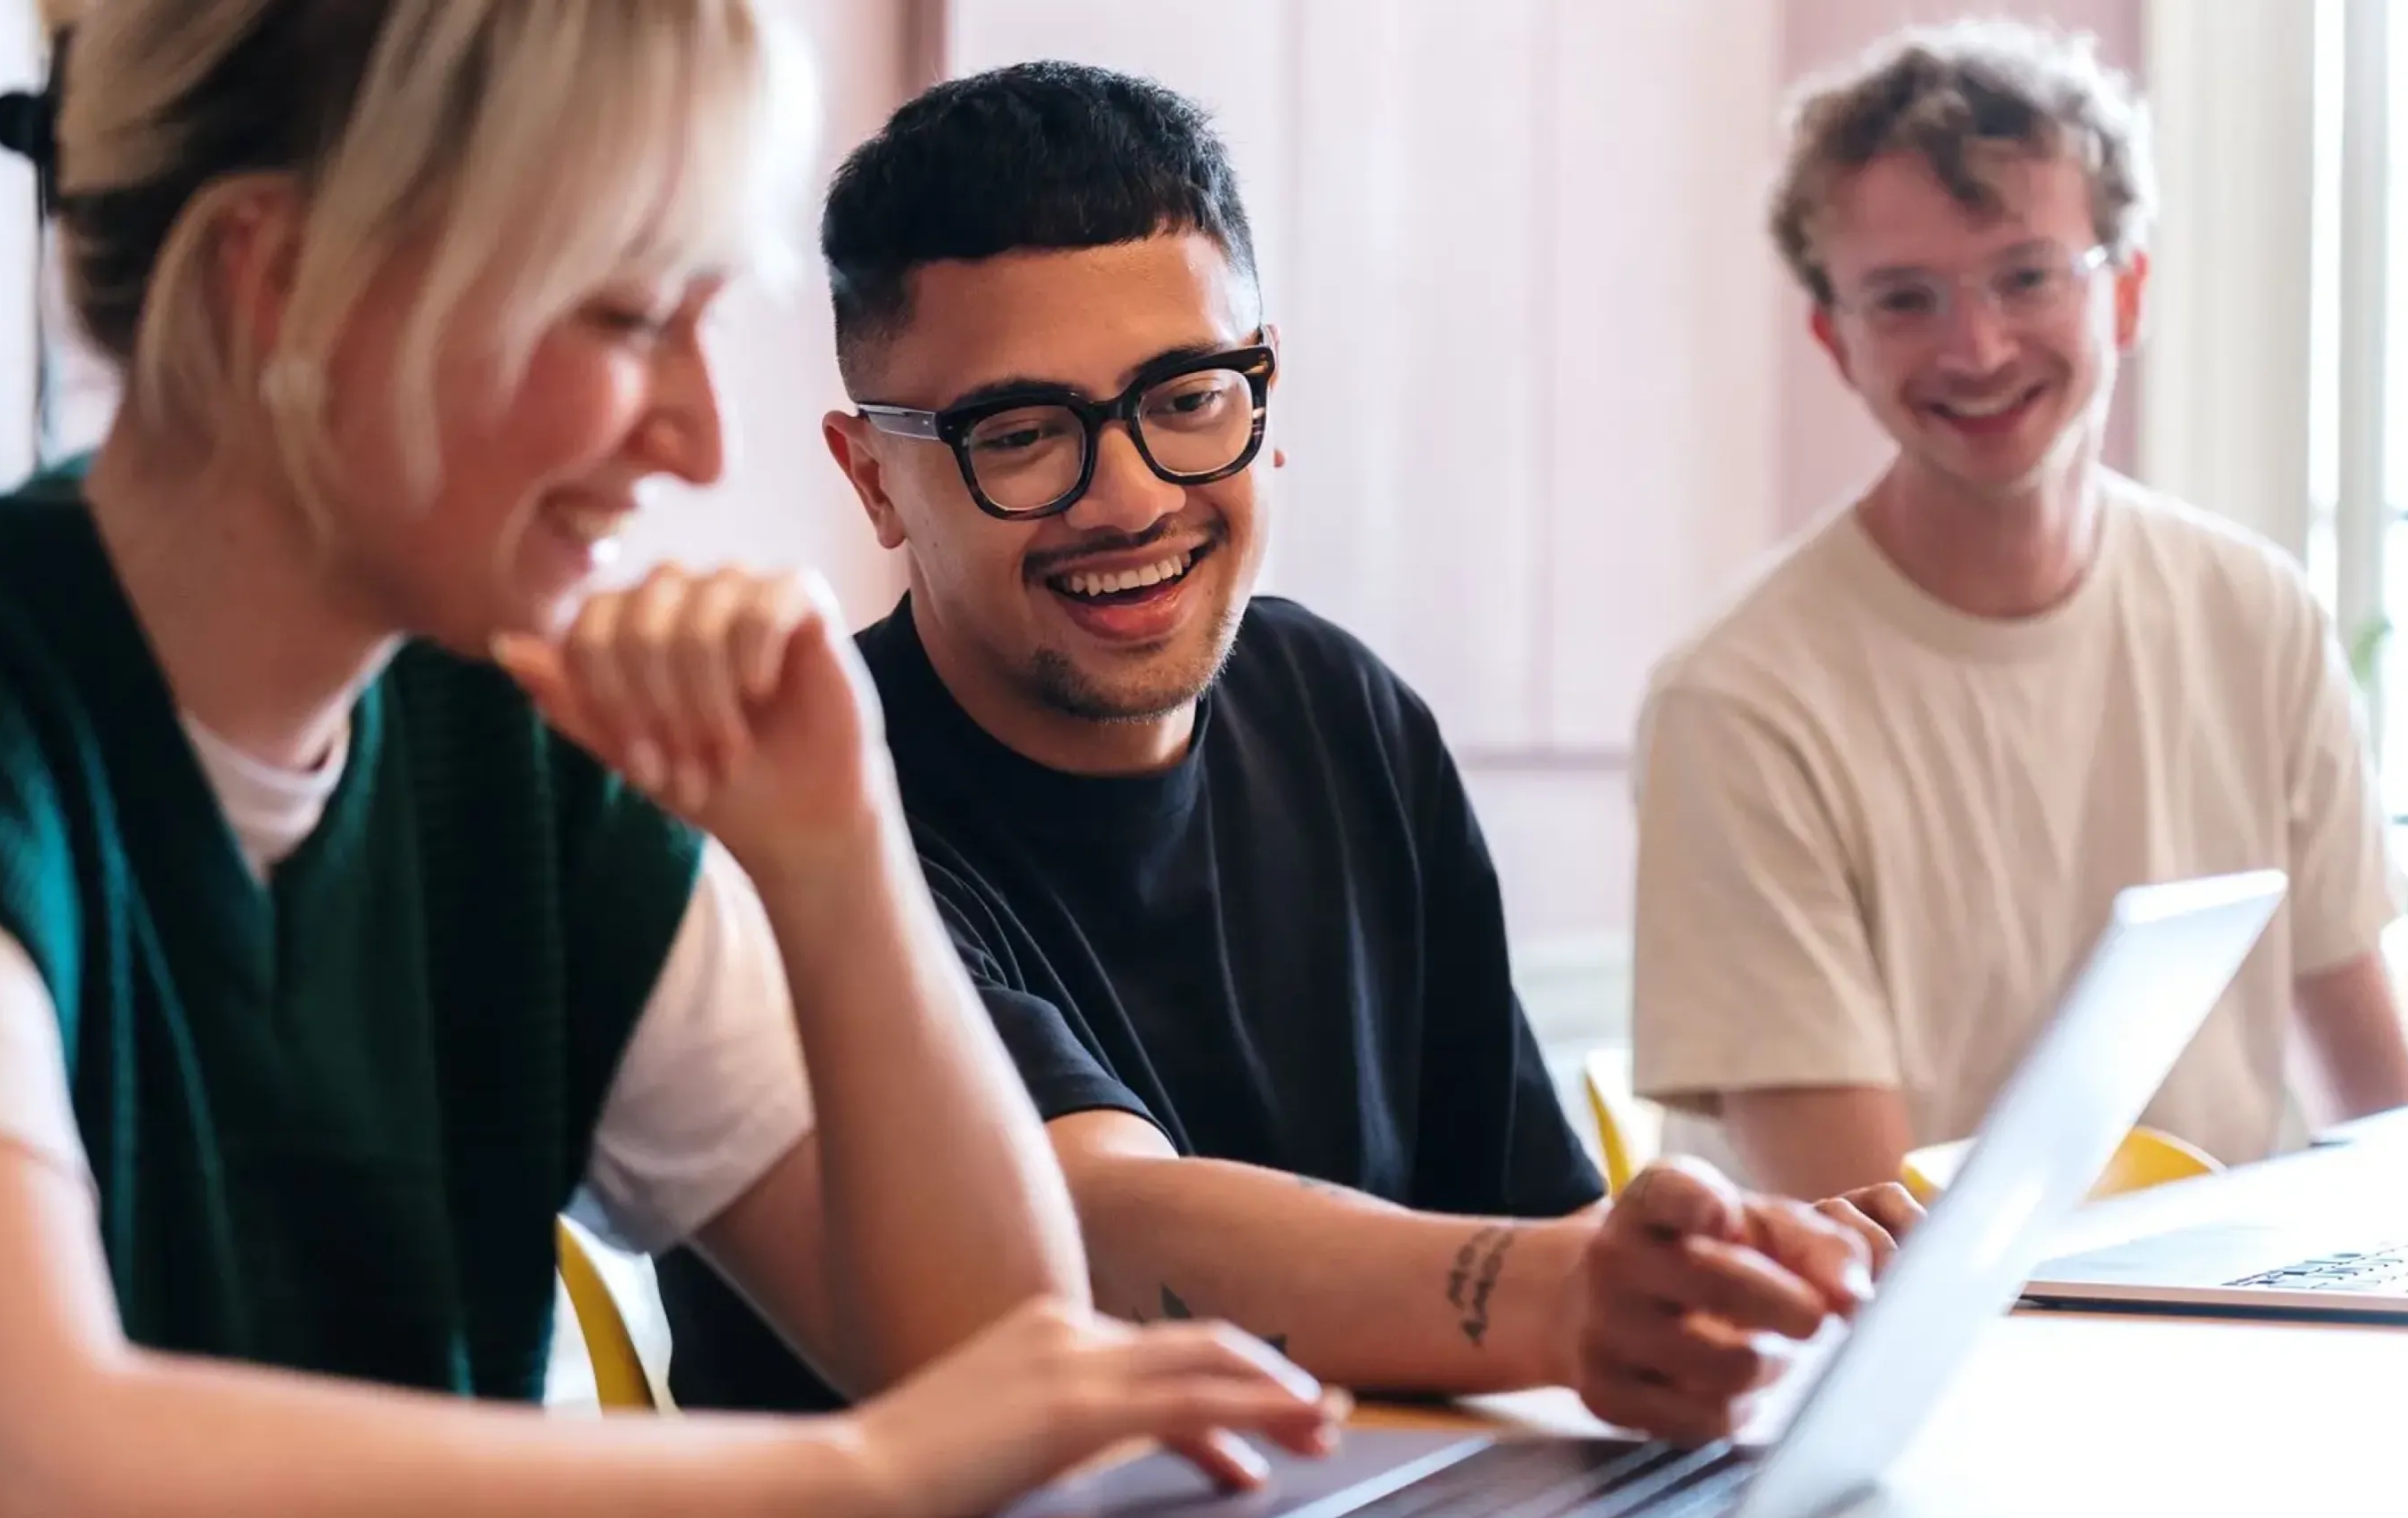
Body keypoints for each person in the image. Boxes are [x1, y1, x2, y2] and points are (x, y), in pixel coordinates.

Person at [0, 5, 1354, 1516]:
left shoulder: (510, 752)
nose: (696, 442)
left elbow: (999, 1367)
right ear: (281, 282)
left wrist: (839, 847)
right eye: (625, 316)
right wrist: (854, 1476)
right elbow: (8, 1460)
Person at [653, 59, 1921, 1449]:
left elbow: (1522, 1210)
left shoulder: (1341, 710)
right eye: (1019, 436)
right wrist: (1557, 1295)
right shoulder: (805, 796)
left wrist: (1732, 1273)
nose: (1128, 494)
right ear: (874, 476)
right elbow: (1095, 1229)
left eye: (1188, 396)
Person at [1628, 19, 2408, 1202]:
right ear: (1833, 341)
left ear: (2126, 292)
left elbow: (2380, 1105)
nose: (1976, 344)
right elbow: (1863, 1242)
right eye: (1902, 299)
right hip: (1909, 1354)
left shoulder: (2254, 613)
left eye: (2025, 274)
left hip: (2239, 1339)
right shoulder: (1739, 697)